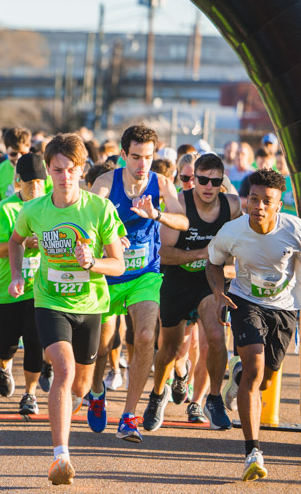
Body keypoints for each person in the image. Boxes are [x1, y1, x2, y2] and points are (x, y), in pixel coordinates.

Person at [8, 133, 125, 485]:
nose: (64, 177)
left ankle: (78, 403)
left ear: (82, 169)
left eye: (71, 169)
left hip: (90, 304)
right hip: (50, 300)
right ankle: (61, 457)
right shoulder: (34, 210)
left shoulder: (99, 209)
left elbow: (118, 264)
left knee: (81, 384)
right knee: (63, 369)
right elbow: (15, 242)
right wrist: (16, 274)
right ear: (48, 169)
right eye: (58, 170)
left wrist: (94, 262)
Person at [87, 125, 188, 443]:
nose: (142, 163)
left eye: (147, 156)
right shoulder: (106, 182)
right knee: (103, 345)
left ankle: (129, 416)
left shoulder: (162, 183)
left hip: (145, 275)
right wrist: (110, 235)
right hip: (108, 275)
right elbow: (85, 219)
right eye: (135, 157)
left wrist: (157, 214)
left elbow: (183, 220)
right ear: (122, 155)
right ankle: (96, 389)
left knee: (145, 336)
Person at [206, 169, 300, 481]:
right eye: (253, 199)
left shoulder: (294, 230)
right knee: (255, 369)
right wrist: (219, 293)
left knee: (266, 381)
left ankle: (238, 379)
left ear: (278, 206)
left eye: (266, 201)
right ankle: (252, 451)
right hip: (244, 301)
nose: (258, 206)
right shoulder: (232, 231)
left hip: (284, 309)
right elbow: (213, 262)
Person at [144, 153, 242, 431]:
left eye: (215, 181)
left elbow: (240, 247)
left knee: (214, 336)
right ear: (193, 180)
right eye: (202, 180)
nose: (208, 186)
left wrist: (230, 268)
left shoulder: (232, 206)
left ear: (222, 182)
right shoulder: (180, 204)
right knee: (171, 348)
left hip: (209, 282)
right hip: (176, 280)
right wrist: (206, 253)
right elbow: (164, 254)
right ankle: (156, 395)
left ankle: (213, 399)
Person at [0, 153, 47, 416]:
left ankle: (30, 394)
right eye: (29, 182)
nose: (35, 187)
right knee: (7, 345)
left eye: (39, 182)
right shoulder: (5, 208)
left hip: (41, 289)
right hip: (8, 290)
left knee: (35, 342)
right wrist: (25, 242)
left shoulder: (50, 206)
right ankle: (2, 365)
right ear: (18, 182)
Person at [0, 127, 32, 204]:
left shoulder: (41, 169)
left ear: (29, 147)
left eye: (23, 153)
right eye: (13, 154)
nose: (19, 158)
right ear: (6, 150)